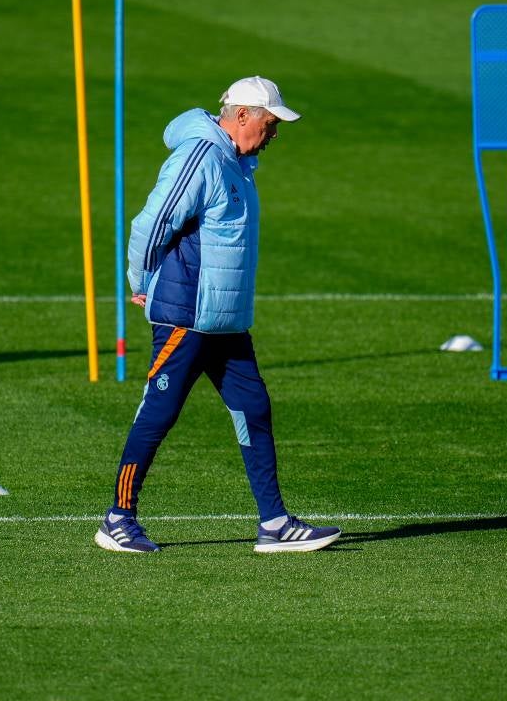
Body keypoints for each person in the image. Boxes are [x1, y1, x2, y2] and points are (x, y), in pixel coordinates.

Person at [93, 76, 341, 554]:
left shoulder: (238, 164)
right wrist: (140, 280)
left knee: (255, 409)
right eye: (269, 124)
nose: (272, 135)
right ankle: (118, 518)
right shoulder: (201, 157)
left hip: (225, 321)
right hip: (185, 315)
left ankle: (274, 523)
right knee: (159, 413)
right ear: (243, 115)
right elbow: (153, 221)